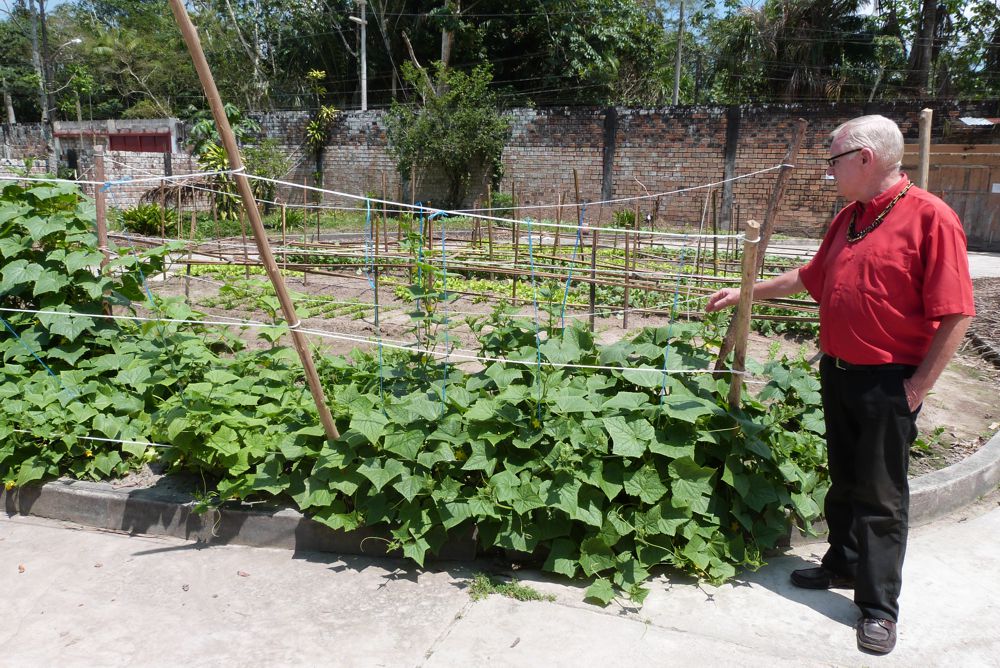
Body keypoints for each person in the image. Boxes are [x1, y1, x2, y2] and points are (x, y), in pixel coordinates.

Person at [706, 114, 975, 655]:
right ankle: (843, 565)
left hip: (889, 382)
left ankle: (878, 608)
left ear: (864, 158)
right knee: (846, 479)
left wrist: (917, 387)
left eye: (833, 160)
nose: (829, 172)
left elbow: (957, 315)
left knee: (881, 496)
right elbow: (809, 279)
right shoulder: (850, 219)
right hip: (839, 372)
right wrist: (746, 293)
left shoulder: (931, 219)